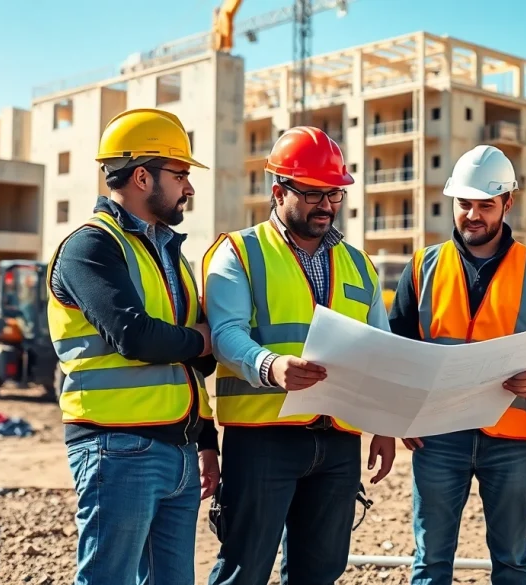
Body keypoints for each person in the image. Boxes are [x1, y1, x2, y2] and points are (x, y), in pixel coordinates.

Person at [201, 125, 397, 585]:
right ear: (277, 191)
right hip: (264, 438)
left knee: (320, 573)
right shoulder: (239, 252)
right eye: (312, 194)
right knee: (243, 570)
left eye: (334, 194)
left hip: (338, 440)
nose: (326, 205)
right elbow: (227, 333)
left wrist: (386, 425)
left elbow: (382, 350)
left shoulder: (359, 262)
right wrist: (271, 366)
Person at [46, 108, 220, 585]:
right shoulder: (90, 248)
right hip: (117, 446)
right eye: (181, 174)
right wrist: (204, 338)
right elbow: (135, 337)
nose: (189, 187)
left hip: (178, 449)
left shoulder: (170, 254)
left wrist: (205, 442)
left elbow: (191, 363)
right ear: (143, 176)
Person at [388, 145, 526, 585]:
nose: (473, 215)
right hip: (437, 437)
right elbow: (397, 348)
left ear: (507, 204)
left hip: (509, 437)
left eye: (485, 205)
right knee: (431, 562)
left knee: (512, 560)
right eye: (464, 204)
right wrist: (402, 413)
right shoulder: (421, 267)